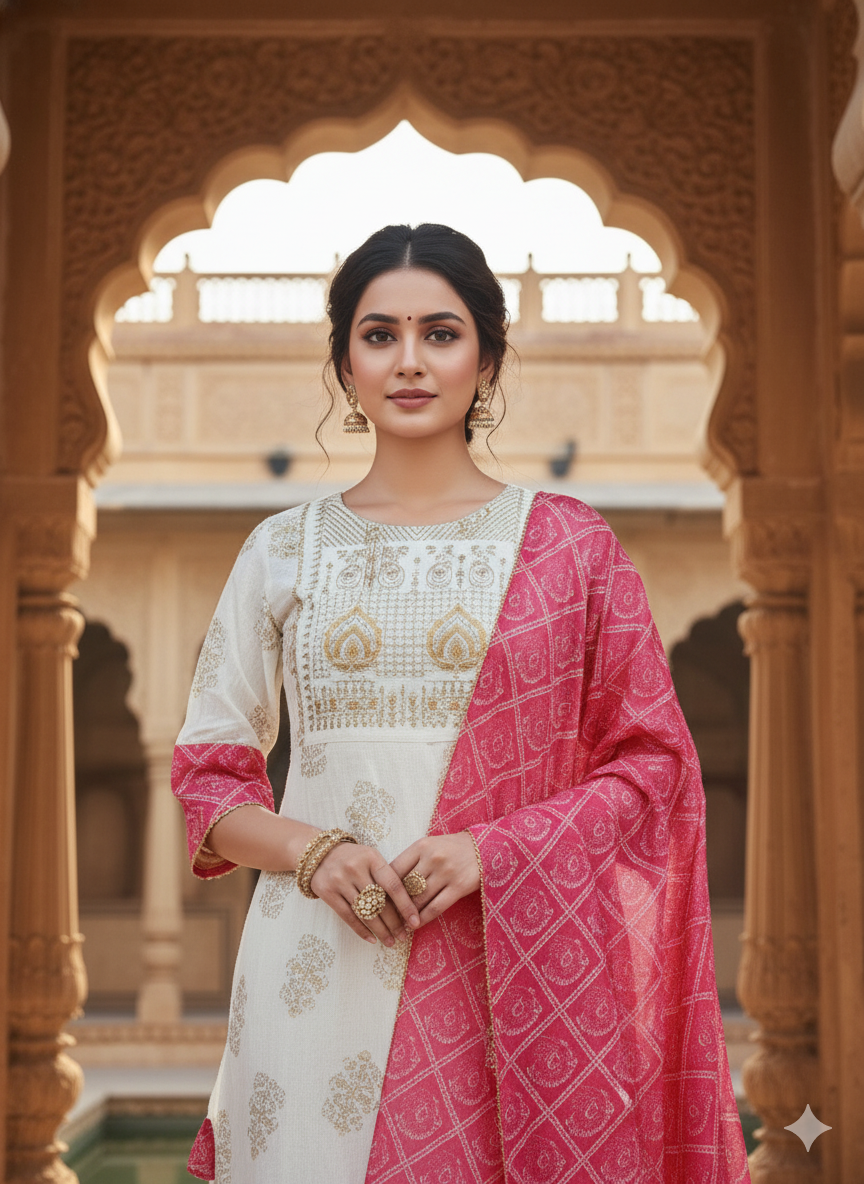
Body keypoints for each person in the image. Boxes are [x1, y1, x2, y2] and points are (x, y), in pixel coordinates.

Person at [173, 223, 750, 1184]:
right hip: (315, 969)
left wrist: (494, 851)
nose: (409, 361)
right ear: (344, 361)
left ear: (486, 357)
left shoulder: (571, 548)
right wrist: (314, 856)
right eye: (378, 334)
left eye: (440, 333)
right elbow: (208, 778)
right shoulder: (282, 549)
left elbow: (654, 765)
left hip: (512, 975)